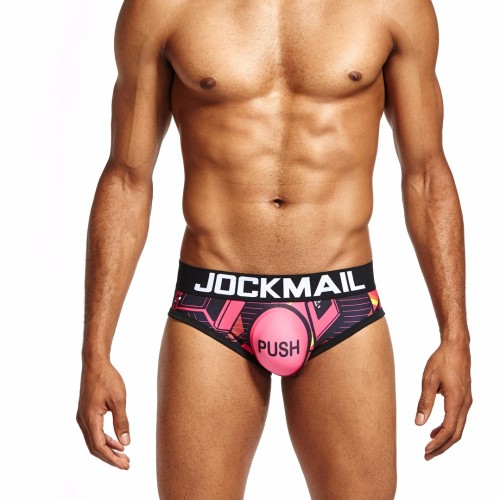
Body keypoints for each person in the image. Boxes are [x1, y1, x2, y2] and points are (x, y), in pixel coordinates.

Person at [76, 0, 472, 497]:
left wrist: (455, 337)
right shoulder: (163, 7)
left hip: (342, 302)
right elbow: (127, 180)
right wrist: (95, 351)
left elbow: (427, 174)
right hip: (213, 304)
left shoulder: (391, 6)